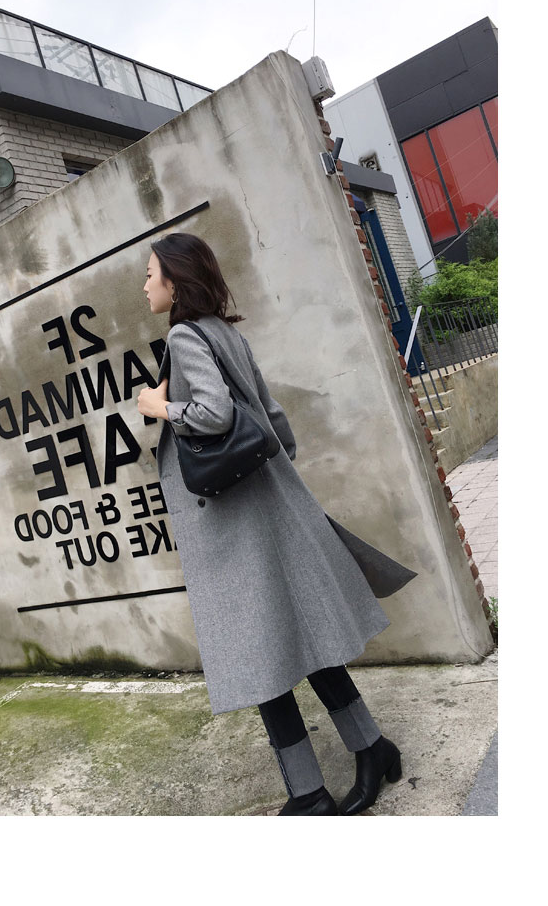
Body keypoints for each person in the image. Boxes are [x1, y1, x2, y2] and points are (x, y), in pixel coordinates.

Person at [136, 233, 417, 816]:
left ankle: (309, 794)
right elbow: (276, 421)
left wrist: (161, 408)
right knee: (302, 641)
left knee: (260, 657)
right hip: (266, 509)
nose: (144, 285)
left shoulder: (185, 336)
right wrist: (275, 482)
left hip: (235, 525)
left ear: (175, 281)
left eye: (150, 273)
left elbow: (214, 413)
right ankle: (371, 748)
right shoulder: (226, 333)